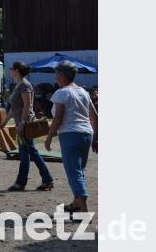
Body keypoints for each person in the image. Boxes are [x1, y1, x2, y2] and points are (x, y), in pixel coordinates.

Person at [45, 61, 98, 215]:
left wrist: (49, 136)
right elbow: (95, 116)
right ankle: (75, 204)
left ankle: (83, 208)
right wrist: (96, 138)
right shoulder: (84, 92)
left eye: (56, 74)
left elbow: (58, 117)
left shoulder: (61, 93)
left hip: (70, 134)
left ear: (62, 75)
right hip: (86, 134)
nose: (56, 77)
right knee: (79, 171)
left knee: (73, 172)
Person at [1, 61, 53, 191]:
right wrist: (5, 121)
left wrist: (23, 123)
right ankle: (46, 180)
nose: (10, 69)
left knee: (27, 153)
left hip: (26, 124)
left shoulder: (24, 85)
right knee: (30, 153)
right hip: (21, 123)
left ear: (17, 70)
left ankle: (22, 182)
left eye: (11, 68)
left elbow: (27, 105)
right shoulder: (19, 85)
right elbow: (14, 108)